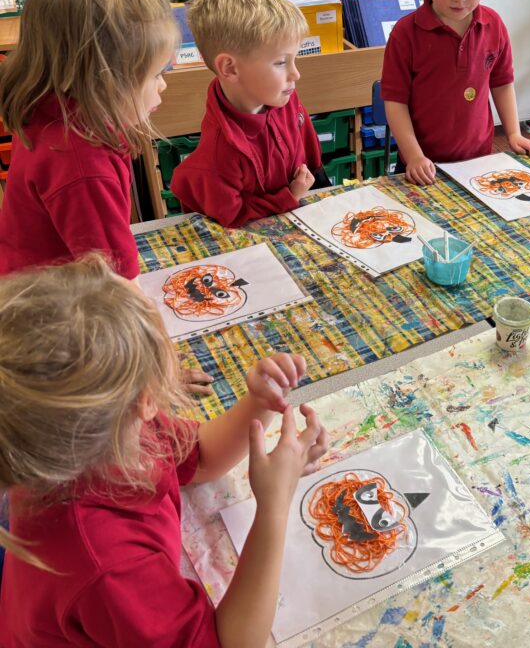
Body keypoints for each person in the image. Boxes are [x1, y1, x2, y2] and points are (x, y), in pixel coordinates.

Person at [0, 255, 328, 647]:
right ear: (145, 399)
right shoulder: (107, 566)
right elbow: (233, 643)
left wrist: (258, 402)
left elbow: (200, 457)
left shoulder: (99, 436)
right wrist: (275, 503)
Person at [0, 0, 178, 280]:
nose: (164, 84)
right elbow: (116, 282)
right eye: (156, 74)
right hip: (50, 305)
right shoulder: (82, 163)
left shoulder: (55, 105)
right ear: (102, 80)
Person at [380, 0, 530, 186]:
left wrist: (514, 133)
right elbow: (395, 103)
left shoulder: (494, 26)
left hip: (479, 160)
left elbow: (502, 83)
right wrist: (414, 155)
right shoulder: (405, 35)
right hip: (423, 166)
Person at [170, 0, 328, 228]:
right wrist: (289, 196)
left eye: (294, 59)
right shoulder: (221, 151)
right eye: (280, 62)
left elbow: (302, 132)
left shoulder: (279, 94)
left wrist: (316, 174)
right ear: (230, 68)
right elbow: (232, 215)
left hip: (302, 196)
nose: (295, 74)